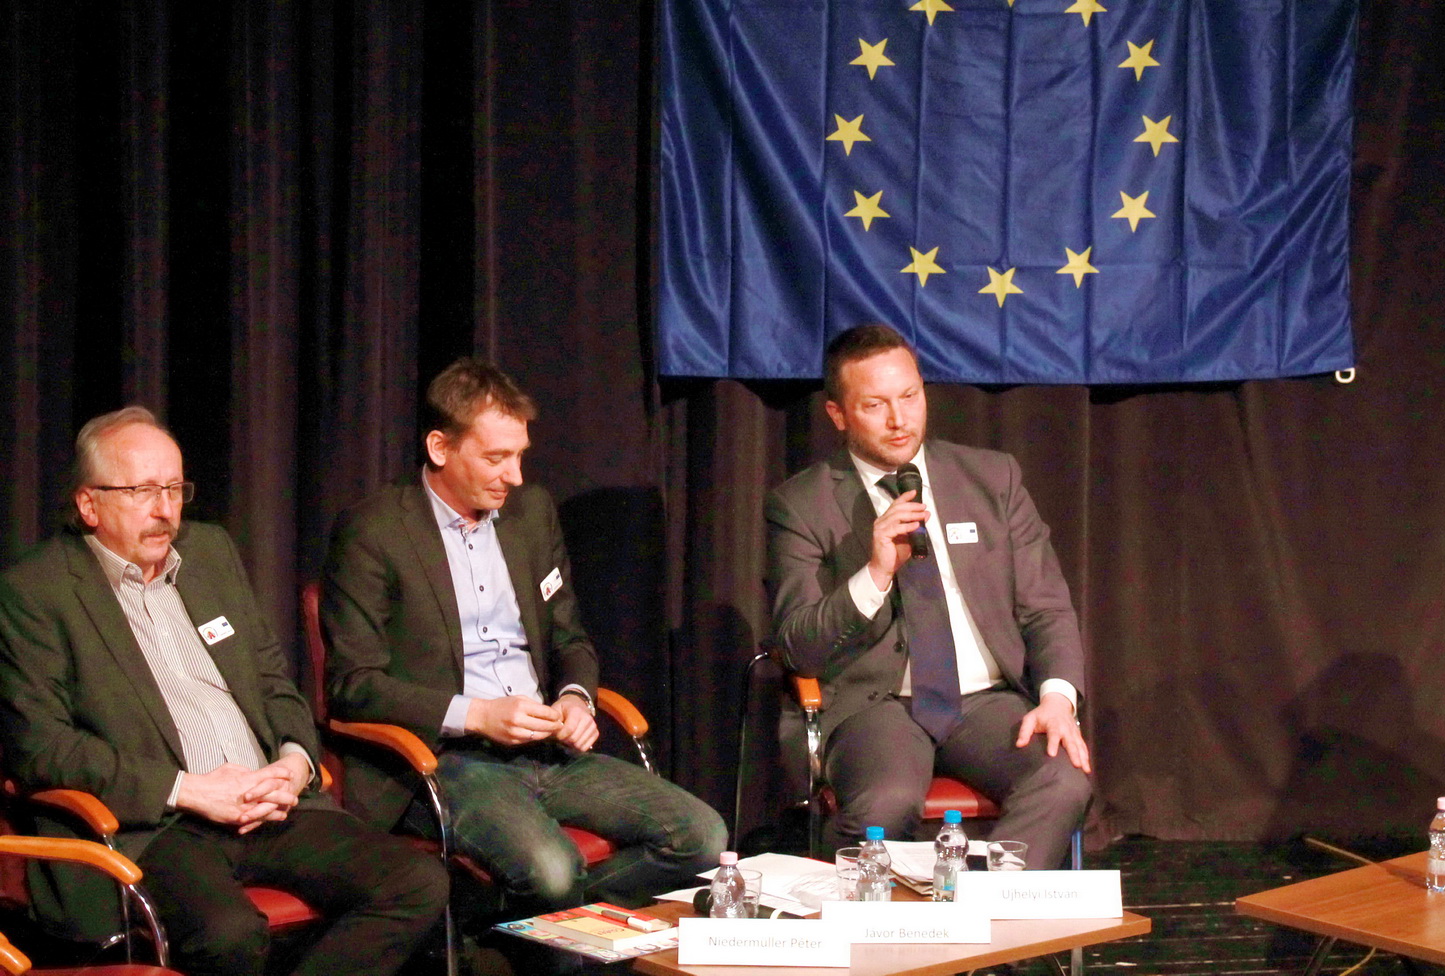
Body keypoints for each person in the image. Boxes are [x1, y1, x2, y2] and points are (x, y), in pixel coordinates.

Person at [0, 408, 447, 976]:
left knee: (418, 882)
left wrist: (293, 764)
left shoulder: (209, 552)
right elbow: (43, 749)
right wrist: (188, 790)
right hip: (156, 827)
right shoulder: (36, 591)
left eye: (173, 489)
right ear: (89, 504)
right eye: (142, 491)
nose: (164, 509)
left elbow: (272, 679)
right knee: (228, 934)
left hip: (267, 803)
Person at [321, 358, 725, 915]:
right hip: (447, 761)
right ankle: (549, 922)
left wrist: (576, 699)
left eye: (519, 456)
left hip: (547, 749)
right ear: (440, 448)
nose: (514, 476)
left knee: (703, 837)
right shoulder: (375, 531)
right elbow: (353, 685)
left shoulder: (530, 515)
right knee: (553, 872)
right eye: (496, 457)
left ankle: (556, 925)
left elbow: (570, 638)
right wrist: (477, 715)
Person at [766, 324, 1091, 867]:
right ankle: (869, 920)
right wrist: (875, 572)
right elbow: (799, 647)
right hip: (876, 707)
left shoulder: (992, 478)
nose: (899, 419)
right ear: (838, 415)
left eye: (910, 396)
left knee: (1063, 778)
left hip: (986, 701)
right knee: (884, 806)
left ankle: (987, 912)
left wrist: (1057, 698)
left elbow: (1046, 605)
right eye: (875, 405)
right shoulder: (801, 504)